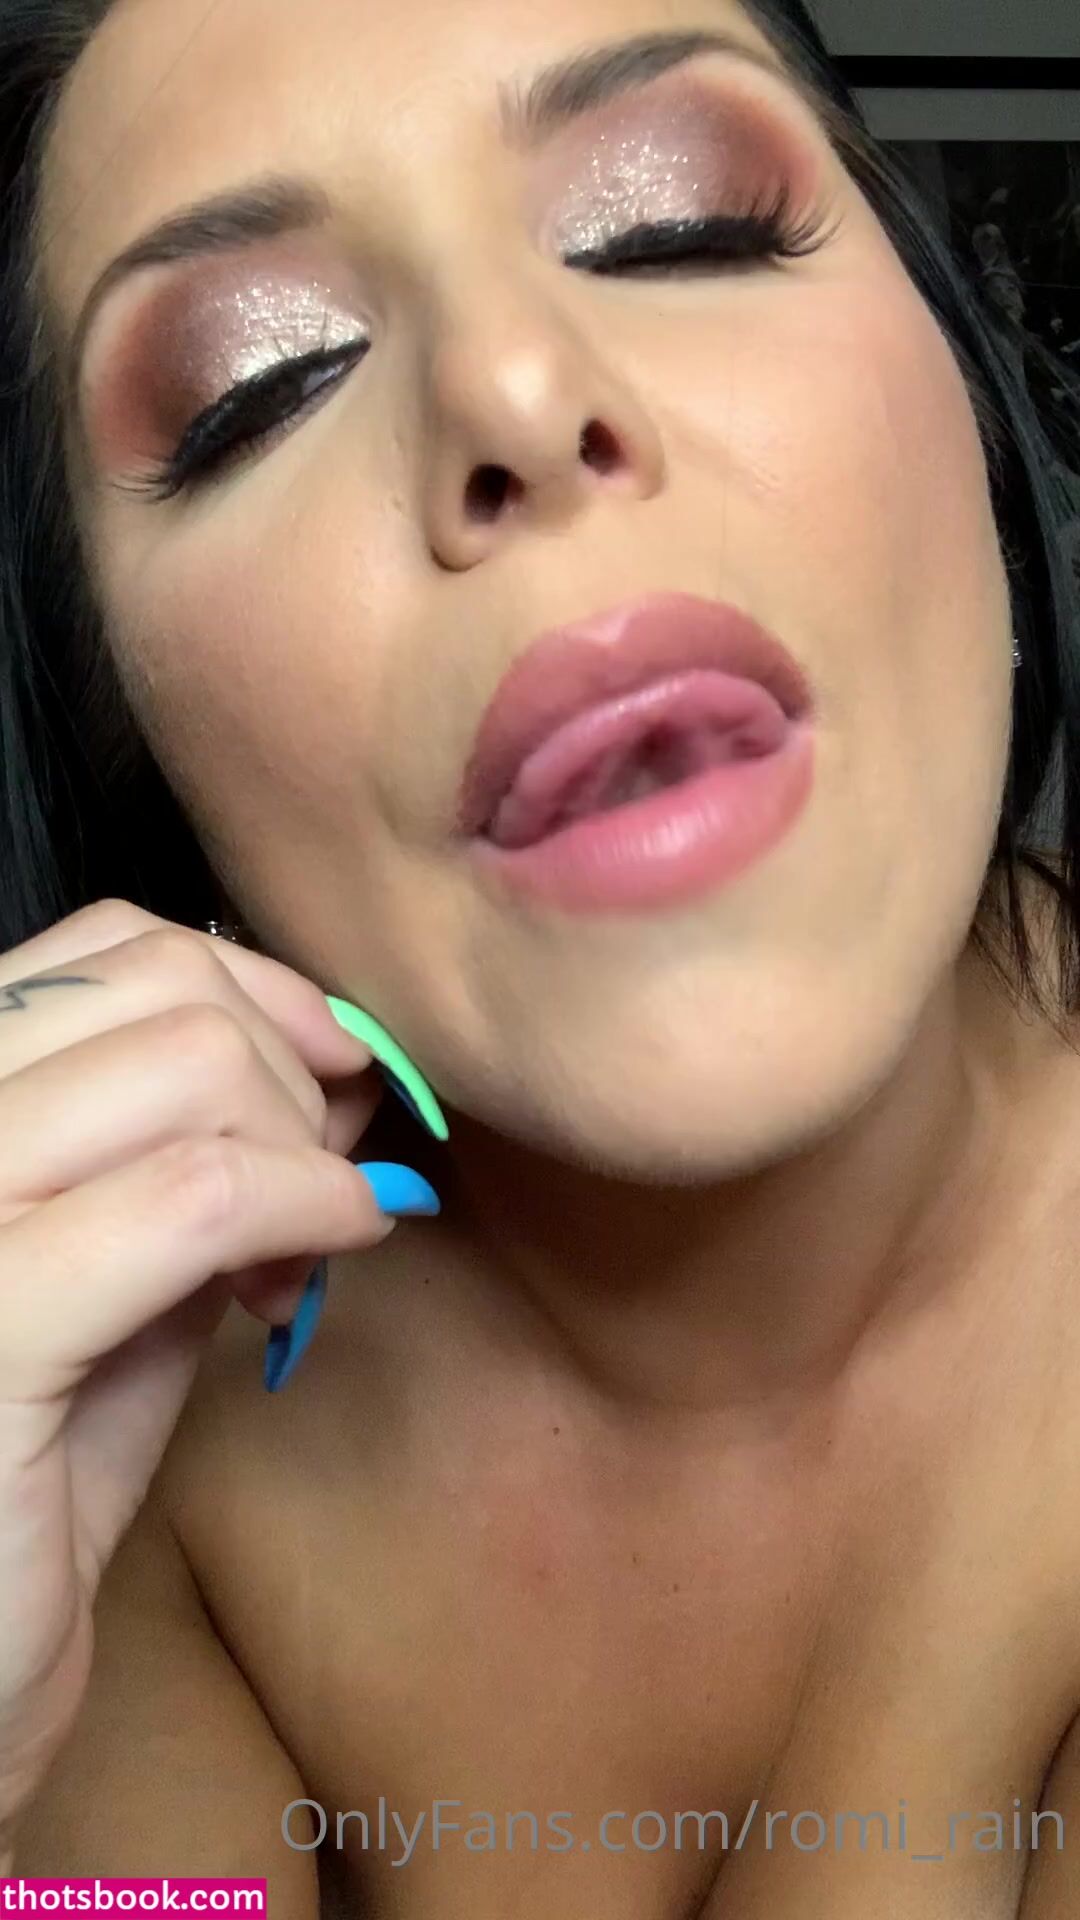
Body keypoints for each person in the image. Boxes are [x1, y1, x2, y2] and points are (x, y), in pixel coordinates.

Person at [1, 0, 1079, 1912]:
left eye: (673, 223)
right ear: (135, 738)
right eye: (264, 381)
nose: (511, 391)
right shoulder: (110, 1434)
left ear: (968, 409)